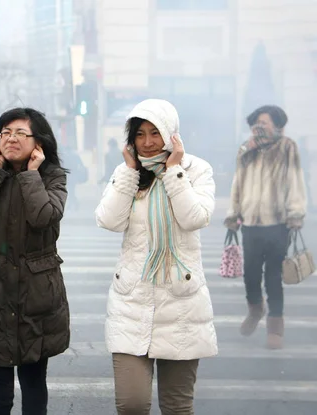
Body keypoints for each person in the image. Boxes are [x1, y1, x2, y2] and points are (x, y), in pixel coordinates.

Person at [95, 99, 217, 414]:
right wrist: (129, 172)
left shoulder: (196, 169)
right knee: (132, 405)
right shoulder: (127, 172)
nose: (147, 142)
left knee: (177, 406)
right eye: (139, 134)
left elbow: (194, 218)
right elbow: (109, 220)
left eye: (155, 133)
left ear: (171, 133)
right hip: (131, 300)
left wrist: (173, 171)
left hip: (181, 303)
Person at [0, 107, 70, 415]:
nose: (11, 138)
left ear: (39, 142)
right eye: (5, 133)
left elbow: (43, 217)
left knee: (34, 391)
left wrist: (31, 175)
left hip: (35, 298)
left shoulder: (52, 178)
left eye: (21, 133)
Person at [224, 105, 306, 349]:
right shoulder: (245, 150)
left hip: (278, 224)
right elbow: (237, 183)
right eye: (256, 121)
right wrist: (233, 213)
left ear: (277, 125)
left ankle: (275, 327)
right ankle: (255, 308)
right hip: (250, 223)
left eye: (265, 121)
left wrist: (295, 213)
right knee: (250, 274)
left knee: (273, 277)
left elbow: (295, 180)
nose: (260, 125)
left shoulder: (287, 147)